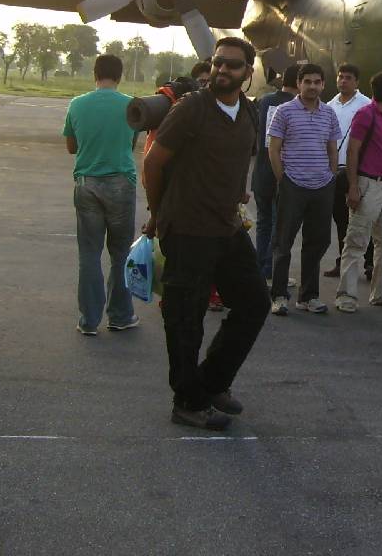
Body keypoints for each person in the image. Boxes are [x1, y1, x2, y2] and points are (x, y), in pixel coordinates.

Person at [142, 37, 269, 430]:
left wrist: (237, 194)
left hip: (227, 226)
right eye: (218, 62)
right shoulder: (192, 109)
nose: (222, 70)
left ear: (248, 73)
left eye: (232, 65)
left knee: (254, 304)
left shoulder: (249, 112)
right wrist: (159, 215)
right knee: (186, 318)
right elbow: (153, 164)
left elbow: (238, 160)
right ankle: (187, 401)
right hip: (188, 228)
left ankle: (212, 382)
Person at [63, 53, 139, 336]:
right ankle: (120, 315)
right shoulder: (131, 105)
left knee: (89, 253)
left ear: (94, 74)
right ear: (120, 76)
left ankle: (89, 320)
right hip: (121, 182)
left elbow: (71, 147)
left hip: (87, 183)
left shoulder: (77, 104)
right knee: (120, 254)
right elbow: (131, 143)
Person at [267, 63, 341, 315]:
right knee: (283, 242)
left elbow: (332, 149)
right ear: (298, 84)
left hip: (322, 186)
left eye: (317, 82)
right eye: (307, 81)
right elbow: (273, 149)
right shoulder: (284, 111)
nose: (312, 86)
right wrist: (283, 179)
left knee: (317, 242)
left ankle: (308, 296)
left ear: (323, 85)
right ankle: (279, 296)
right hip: (293, 186)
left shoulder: (329, 113)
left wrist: (331, 176)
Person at [336, 71, 382, 312]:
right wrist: (353, 186)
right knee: (357, 240)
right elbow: (352, 151)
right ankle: (346, 295)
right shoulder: (366, 115)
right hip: (366, 184)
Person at [323, 63, 373, 279]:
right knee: (341, 220)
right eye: (340, 77)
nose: (343, 81)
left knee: (364, 219)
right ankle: (342, 263)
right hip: (335, 172)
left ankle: (370, 263)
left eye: (348, 78)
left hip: (359, 172)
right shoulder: (329, 106)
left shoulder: (366, 105)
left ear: (357, 81)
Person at [252, 63, 299, 278]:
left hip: (261, 172)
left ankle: (260, 266)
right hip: (283, 174)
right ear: (299, 82)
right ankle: (270, 269)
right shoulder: (296, 106)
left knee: (263, 222)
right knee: (279, 225)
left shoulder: (265, 101)